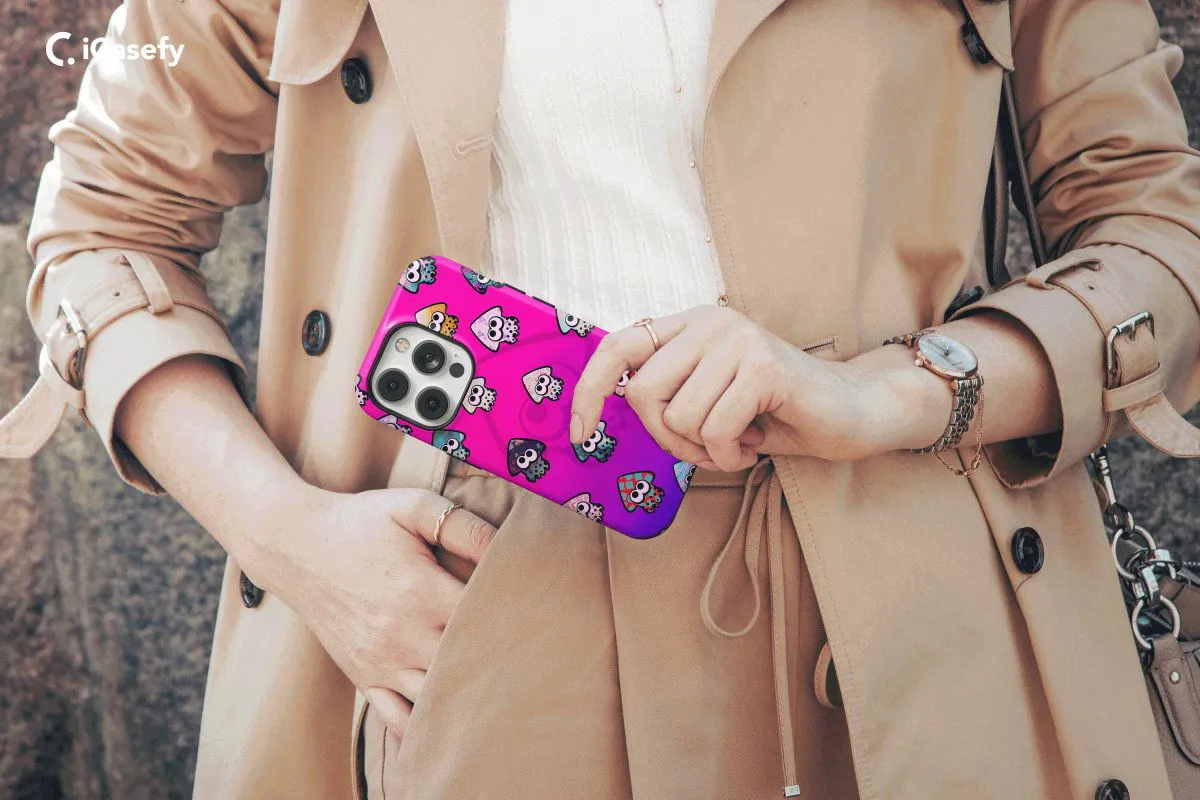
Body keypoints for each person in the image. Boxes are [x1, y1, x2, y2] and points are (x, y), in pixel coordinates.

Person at [3, 0, 1199, 796]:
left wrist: (889, 393)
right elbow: (103, 222)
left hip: (906, 615)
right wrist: (295, 542)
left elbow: (1157, 221)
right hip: (459, 610)